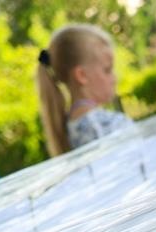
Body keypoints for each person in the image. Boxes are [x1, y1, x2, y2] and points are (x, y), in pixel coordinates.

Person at [37, 23, 133, 156]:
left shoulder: (69, 128)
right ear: (81, 75)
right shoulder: (107, 126)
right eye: (107, 70)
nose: (114, 78)